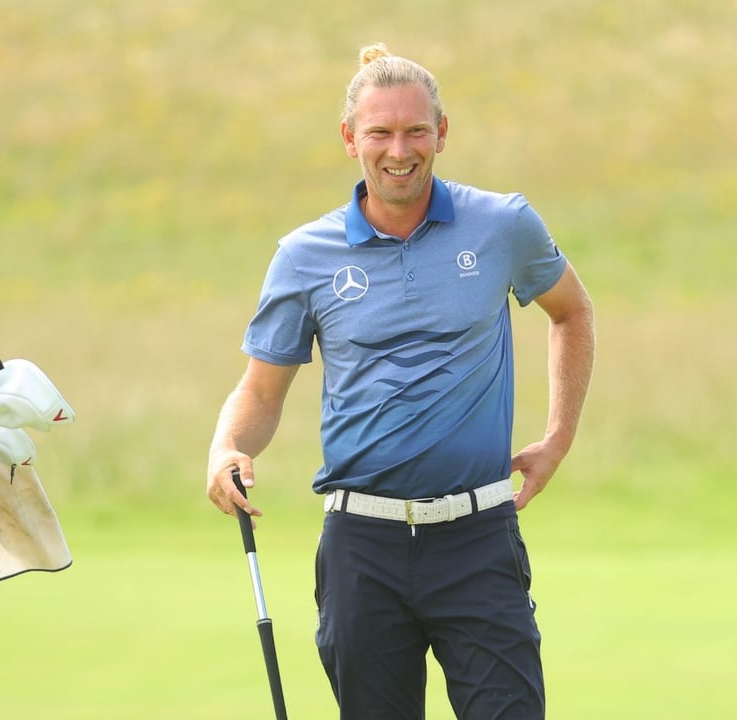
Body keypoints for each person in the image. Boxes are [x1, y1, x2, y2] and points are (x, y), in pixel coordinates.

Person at [206, 42, 595, 719]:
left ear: (442, 133)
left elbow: (572, 312)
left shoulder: (501, 224)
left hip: (477, 538)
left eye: (416, 130)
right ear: (349, 137)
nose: (399, 149)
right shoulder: (305, 256)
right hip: (364, 549)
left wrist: (556, 440)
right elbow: (261, 392)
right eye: (380, 132)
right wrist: (227, 446)